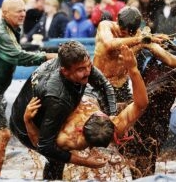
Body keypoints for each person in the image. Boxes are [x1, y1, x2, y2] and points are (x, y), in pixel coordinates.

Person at [0, 0, 57, 177]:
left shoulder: (13, 27)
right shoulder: (1, 31)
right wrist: (46, 56)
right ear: (5, 13)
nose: (23, 14)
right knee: (3, 134)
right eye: (19, 11)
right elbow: (17, 56)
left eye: (24, 10)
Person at [10, 40, 117, 180]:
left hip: (40, 106)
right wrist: (86, 162)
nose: (87, 72)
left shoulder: (75, 63)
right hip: (25, 127)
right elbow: (45, 146)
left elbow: (104, 85)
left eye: (88, 66)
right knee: (57, 153)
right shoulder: (58, 100)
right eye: (80, 70)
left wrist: (113, 115)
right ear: (64, 71)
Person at [23, 45, 148, 153]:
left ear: (81, 129)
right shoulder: (117, 126)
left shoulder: (68, 137)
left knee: (56, 159)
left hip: (75, 96)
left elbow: (40, 144)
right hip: (85, 94)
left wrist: (28, 121)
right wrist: (133, 69)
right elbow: (141, 104)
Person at [94, 6, 176, 103]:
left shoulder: (142, 36)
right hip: (97, 86)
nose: (122, 34)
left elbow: (169, 59)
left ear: (134, 30)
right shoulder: (105, 26)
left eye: (126, 33)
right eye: (121, 30)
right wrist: (140, 40)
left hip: (121, 89)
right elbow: (109, 44)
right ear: (118, 21)